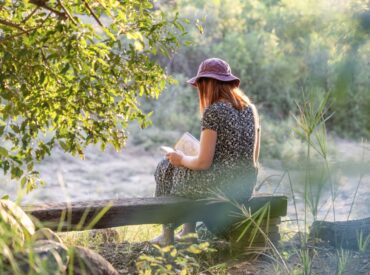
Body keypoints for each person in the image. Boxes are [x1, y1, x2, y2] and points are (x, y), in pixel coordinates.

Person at [153, 57, 260, 245]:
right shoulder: (250, 109)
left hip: (220, 187)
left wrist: (181, 159)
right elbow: (253, 157)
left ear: (207, 84)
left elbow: (203, 163)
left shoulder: (214, 111)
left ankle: (167, 236)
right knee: (188, 168)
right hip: (245, 186)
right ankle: (187, 233)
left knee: (165, 167)